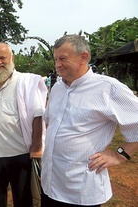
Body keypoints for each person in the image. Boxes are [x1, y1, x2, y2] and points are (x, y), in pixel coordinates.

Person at [41, 34, 138, 207]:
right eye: (55, 59)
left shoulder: (108, 88)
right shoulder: (57, 88)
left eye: (62, 59)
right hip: (50, 184)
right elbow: (50, 122)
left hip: (81, 190)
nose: (57, 65)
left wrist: (120, 154)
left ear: (83, 57)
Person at [0, 42, 48, 207]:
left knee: (22, 199)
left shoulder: (25, 82)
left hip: (18, 153)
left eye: (2, 58)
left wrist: (37, 148)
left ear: (12, 58)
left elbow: (38, 115)